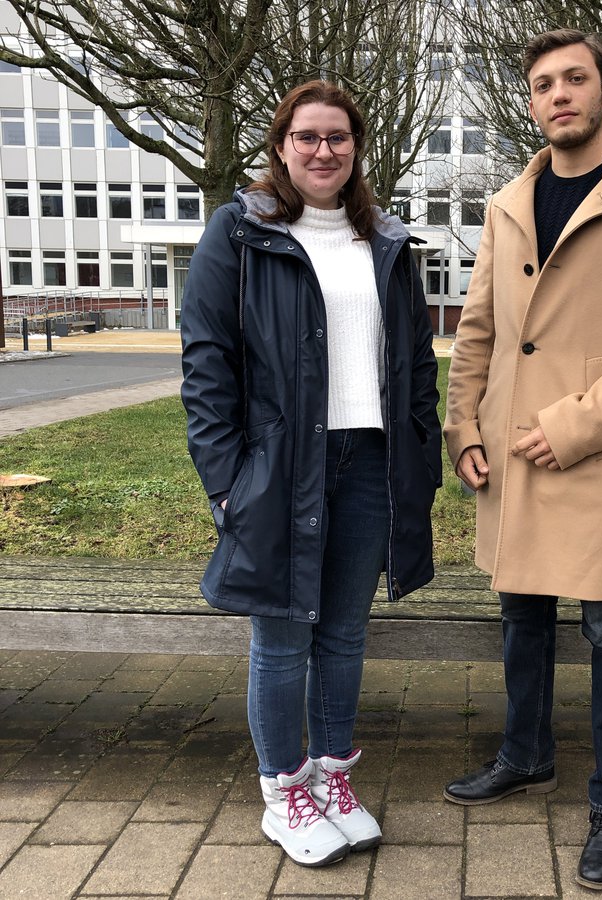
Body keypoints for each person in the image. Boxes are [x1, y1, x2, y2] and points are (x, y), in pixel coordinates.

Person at [442, 29, 602, 891]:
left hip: (589, 450)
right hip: (509, 450)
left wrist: (576, 425)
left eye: (576, 79)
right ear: (531, 101)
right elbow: (477, 329)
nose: (560, 94)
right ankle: (525, 756)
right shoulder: (507, 201)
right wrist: (464, 428)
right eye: (544, 84)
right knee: (520, 613)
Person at [180, 80, 441, 868]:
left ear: (357, 146)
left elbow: (415, 364)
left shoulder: (385, 240)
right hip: (279, 467)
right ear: (281, 146)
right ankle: (282, 790)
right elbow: (206, 363)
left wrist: (420, 464)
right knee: (284, 635)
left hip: (370, 463)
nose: (323, 151)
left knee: (346, 633)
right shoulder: (241, 232)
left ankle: (332, 778)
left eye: (338, 137)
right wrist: (227, 481)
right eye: (307, 137)